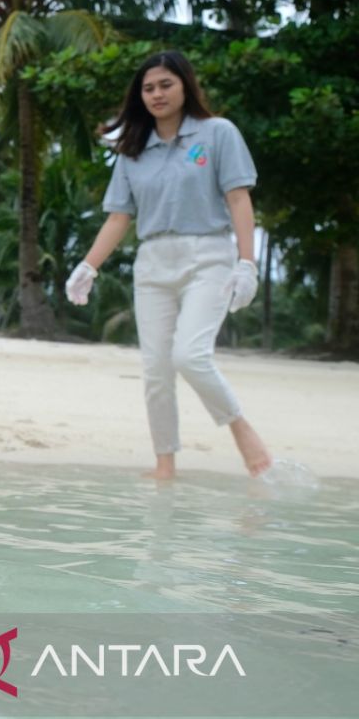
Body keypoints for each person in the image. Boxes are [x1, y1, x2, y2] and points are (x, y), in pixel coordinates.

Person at [64, 50, 272, 480]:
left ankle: (242, 432)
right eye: (148, 88)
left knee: (190, 356)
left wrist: (247, 263)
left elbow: (238, 198)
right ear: (139, 96)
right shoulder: (132, 150)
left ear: (185, 86)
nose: (156, 94)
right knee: (156, 369)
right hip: (153, 262)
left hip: (208, 256)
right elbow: (119, 217)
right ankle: (164, 465)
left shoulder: (218, 134)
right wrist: (88, 266)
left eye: (165, 85)